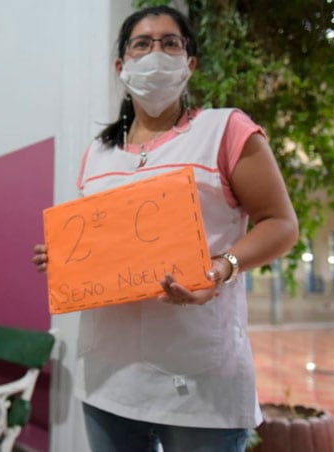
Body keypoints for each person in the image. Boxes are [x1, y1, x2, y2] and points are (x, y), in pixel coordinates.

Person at [32, 5, 298, 452]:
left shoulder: (226, 129)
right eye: (142, 43)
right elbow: (106, 244)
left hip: (199, 384)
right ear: (121, 66)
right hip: (107, 379)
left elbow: (282, 224)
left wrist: (221, 267)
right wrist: (66, 257)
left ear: (190, 63)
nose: (156, 53)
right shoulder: (98, 154)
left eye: (170, 43)